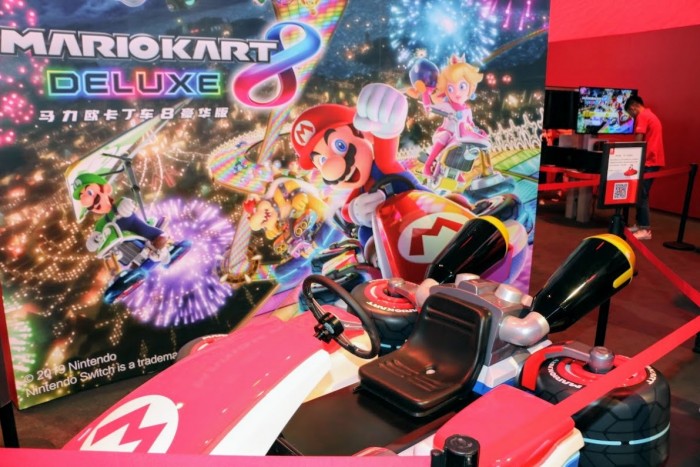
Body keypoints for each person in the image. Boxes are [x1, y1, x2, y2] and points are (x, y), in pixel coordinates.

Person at [624, 95, 665, 240]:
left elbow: (639, 139)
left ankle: (645, 229)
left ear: (633, 107)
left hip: (649, 162)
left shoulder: (642, 116)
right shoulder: (650, 115)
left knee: (642, 195)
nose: (632, 116)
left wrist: (631, 156)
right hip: (653, 160)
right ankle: (640, 224)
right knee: (640, 193)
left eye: (631, 113)